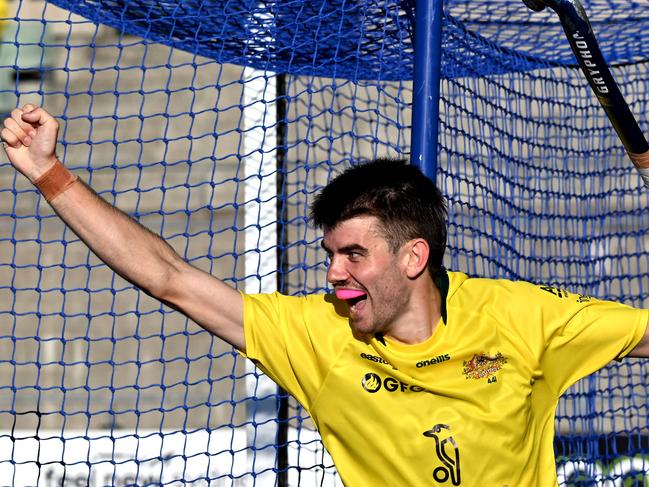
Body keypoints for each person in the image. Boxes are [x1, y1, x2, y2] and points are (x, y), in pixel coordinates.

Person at [3, 104, 649, 486]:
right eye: (330, 255)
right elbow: (168, 277)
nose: (335, 274)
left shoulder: (522, 318)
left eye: (353, 254)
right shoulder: (319, 332)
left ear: (413, 256)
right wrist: (49, 173)